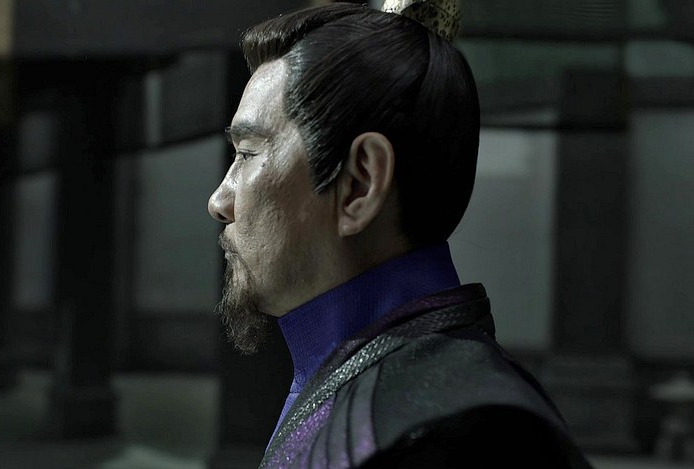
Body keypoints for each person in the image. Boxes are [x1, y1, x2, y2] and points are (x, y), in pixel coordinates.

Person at [207, 1, 593, 467]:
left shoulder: (457, 435)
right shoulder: (397, 395)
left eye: (248, 153)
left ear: (359, 184)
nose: (219, 201)